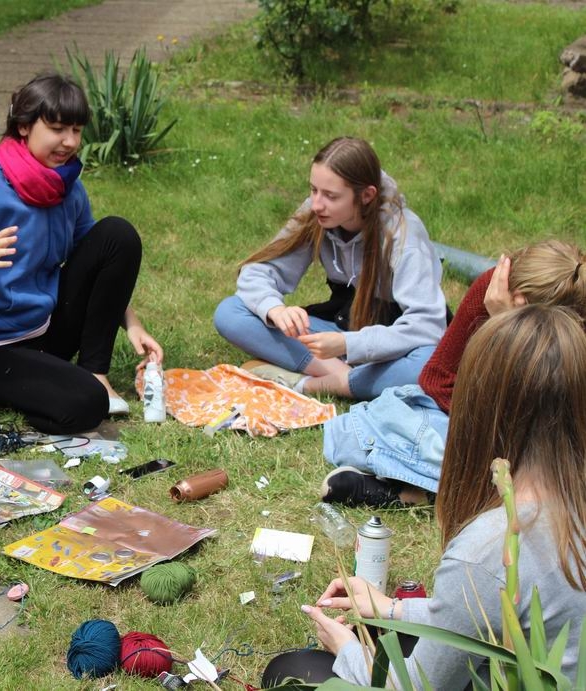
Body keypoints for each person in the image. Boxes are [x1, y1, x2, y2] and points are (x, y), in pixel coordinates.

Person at [269, 304, 586, 687]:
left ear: (478, 409)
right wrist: (395, 609)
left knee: (290, 670)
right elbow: (486, 616)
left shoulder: (490, 548)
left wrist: (346, 648)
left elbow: (418, 687)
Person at [0, 73, 162, 434]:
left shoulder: (66, 186)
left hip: (46, 330)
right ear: (24, 126)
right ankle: (13, 391)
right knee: (86, 405)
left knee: (116, 235)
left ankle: (95, 372)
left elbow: (99, 265)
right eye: (57, 129)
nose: (69, 141)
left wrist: (132, 324)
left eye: (76, 130)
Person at [321, 240, 586, 507]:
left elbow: (551, 426)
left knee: (540, 469)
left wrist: (509, 334)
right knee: (363, 429)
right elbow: (437, 381)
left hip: (547, 448)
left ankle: (417, 491)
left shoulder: (573, 337)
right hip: (473, 423)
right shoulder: (494, 289)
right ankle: (449, 488)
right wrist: (501, 330)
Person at [213, 137, 447, 400]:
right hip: (340, 329)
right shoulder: (317, 214)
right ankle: (349, 378)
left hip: (394, 345)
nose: (316, 204)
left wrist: (349, 344)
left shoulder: (404, 234)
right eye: (313, 190)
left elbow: (427, 326)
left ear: (367, 195)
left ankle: (312, 384)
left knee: (427, 365)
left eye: (330, 196)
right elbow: (257, 272)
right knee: (230, 312)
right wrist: (276, 310)